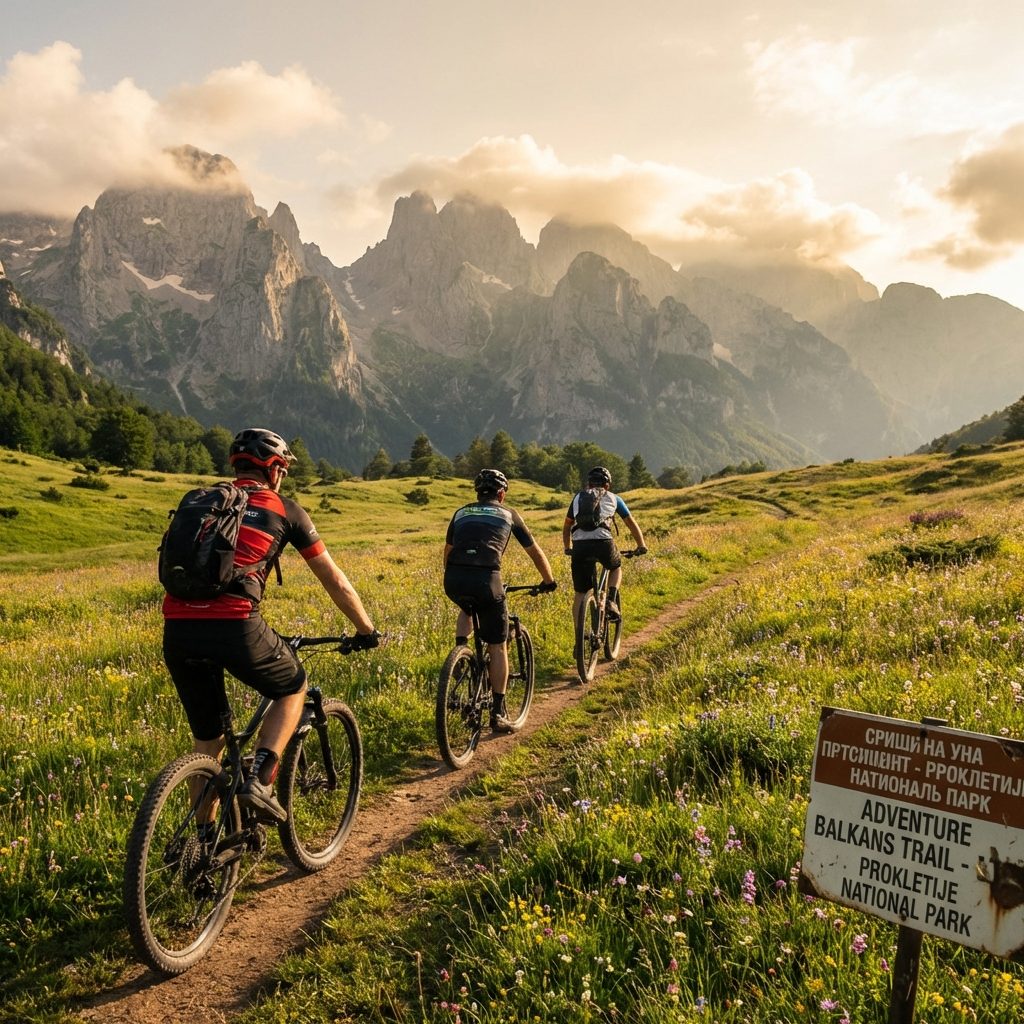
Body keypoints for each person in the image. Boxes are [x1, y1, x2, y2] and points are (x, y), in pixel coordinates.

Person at [162, 427, 379, 824]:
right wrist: (366, 628)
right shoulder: (285, 509)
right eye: (283, 469)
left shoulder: (201, 501)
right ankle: (260, 781)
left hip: (177, 628)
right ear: (275, 468)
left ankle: (202, 845)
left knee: (207, 744)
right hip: (235, 626)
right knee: (293, 686)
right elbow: (333, 578)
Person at [443, 469, 557, 733]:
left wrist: (453, 578)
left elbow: (448, 552)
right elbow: (535, 552)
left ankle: (461, 655)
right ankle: (498, 712)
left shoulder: (460, 512)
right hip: (487, 580)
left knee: (467, 607)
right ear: (501, 494)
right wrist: (549, 580)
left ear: (477, 493)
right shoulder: (510, 514)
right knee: (497, 646)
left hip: (454, 579)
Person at [563, 465, 647, 628]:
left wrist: (567, 548)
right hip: (603, 543)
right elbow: (630, 522)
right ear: (607, 485)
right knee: (615, 566)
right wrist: (641, 545)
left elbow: (567, 526)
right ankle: (610, 601)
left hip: (579, 546)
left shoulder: (577, 498)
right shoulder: (615, 498)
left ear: (588, 484)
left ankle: (579, 638)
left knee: (580, 593)